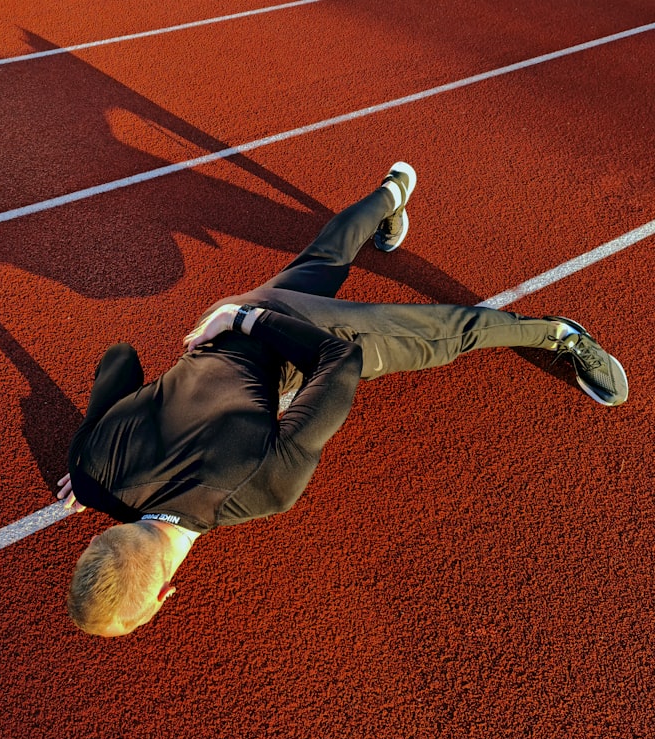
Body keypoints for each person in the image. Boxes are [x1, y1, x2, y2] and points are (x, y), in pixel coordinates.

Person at [56, 162, 629, 637]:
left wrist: (254, 323)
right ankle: (392, 192)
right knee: (320, 263)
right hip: (224, 319)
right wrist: (85, 466)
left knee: (440, 335)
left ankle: (560, 334)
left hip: (286, 335)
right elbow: (119, 358)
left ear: (163, 595)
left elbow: (340, 363)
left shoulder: (260, 490)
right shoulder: (90, 470)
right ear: (103, 534)